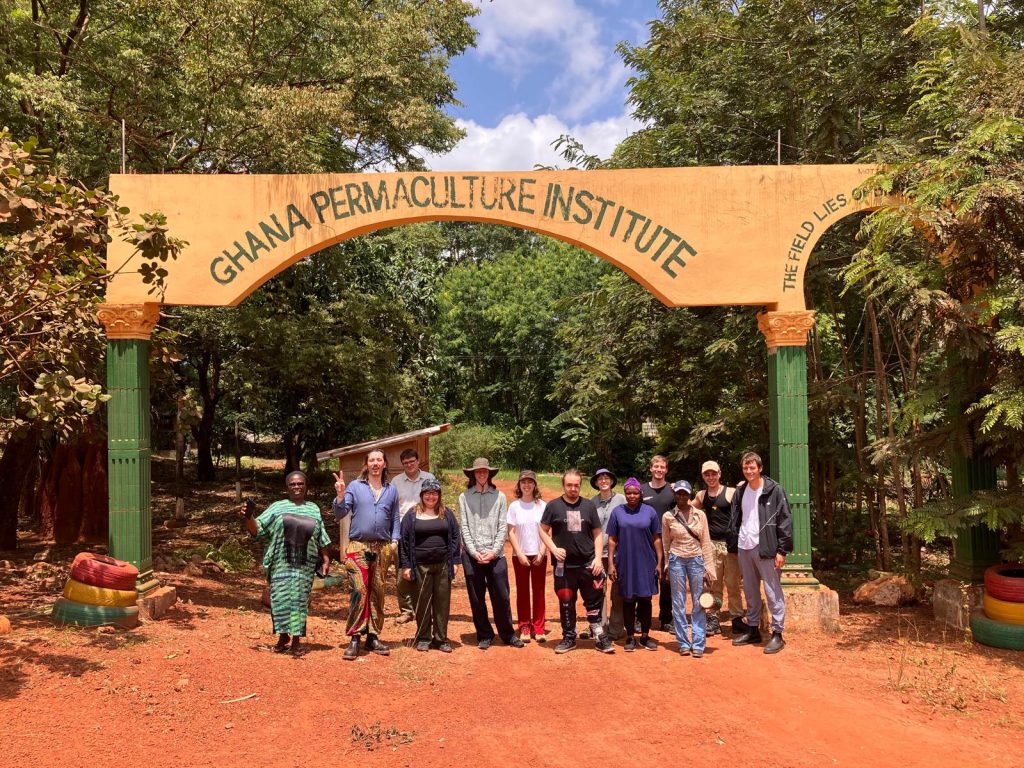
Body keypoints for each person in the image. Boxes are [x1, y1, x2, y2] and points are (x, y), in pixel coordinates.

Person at [240, 471, 331, 657]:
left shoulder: (313, 509)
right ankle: (283, 637)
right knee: (280, 600)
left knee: (299, 601)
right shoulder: (277, 507)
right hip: (281, 563)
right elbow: (258, 529)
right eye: (292, 484)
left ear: (306, 486)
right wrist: (248, 517)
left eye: (300, 484)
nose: (296, 487)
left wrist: (326, 558)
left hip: (305, 565)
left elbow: (322, 537)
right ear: (287, 487)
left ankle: (296, 641)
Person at [333, 449, 400, 660]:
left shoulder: (391, 490)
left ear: (385, 464)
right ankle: (355, 637)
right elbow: (339, 513)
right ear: (366, 464)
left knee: (377, 592)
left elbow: (395, 517)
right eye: (371, 460)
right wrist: (341, 495)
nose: (375, 463)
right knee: (359, 590)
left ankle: (373, 636)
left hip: (382, 547)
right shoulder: (355, 487)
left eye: (379, 460)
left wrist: (395, 540)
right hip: (358, 546)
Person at [539, 468, 614, 654]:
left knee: (594, 601)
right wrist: (553, 549)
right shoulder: (553, 506)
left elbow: (598, 533)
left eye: (576, 485)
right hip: (564, 567)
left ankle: (598, 635)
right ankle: (569, 637)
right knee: (566, 601)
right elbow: (542, 530)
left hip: (588, 564)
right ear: (563, 485)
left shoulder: (588, 506)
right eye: (569, 485)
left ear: (580, 485)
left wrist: (597, 558)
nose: (573, 488)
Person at [728, 451, 792, 654]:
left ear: (760, 468)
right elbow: (737, 518)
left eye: (752, 467)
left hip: (767, 547)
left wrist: (782, 549)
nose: (748, 471)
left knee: (773, 591)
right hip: (744, 546)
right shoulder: (741, 490)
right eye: (745, 468)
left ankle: (777, 633)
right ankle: (753, 628)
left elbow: (785, 520)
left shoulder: (774, 490)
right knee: (750, 591)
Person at [459, 457, 525, 650]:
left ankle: (507, 634)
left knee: (502, 596)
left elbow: (502, 526)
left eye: (484, 471)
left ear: (489, 474)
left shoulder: (500, 497)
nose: (481, 474)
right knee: (477, 597)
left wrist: (494, 551)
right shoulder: (464, 497)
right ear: (473, 474)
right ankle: (484, 634)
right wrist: (473, 551)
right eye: (478, 472)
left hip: (496, 556)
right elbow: (464, 527)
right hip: (472, 556)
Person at [398, 478, 460, 653]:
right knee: (422, 602)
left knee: (442, 603)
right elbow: (404, 542)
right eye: (427, 493)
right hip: (420, 565)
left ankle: (441, 639)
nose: (431, 496)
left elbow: (455, 536)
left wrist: (455, 561)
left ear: (439, 495)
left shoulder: (446, 513)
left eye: (434, 493)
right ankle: (423, 637)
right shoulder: (411, 515)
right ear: (422, 495)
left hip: (442, 565)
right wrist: (406, 566)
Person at [606, 477, 662, 652]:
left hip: (646, 561)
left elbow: (657, 538)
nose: (632, 496)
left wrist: (660, 562)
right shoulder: (617, 512)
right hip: (625, 562)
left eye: (635, 493)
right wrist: (610, 564)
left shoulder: (650, 512)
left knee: (645, 599)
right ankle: (630, 636)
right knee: (628, 599)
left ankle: (645, 636)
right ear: (625, 494)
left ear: (640, 493)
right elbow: (612, 540)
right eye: (628, 493)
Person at [663, 479, 716, 658]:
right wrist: (667, 564)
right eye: (678, 493)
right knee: (678, 602)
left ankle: (699, 643)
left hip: (696, 560)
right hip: (676, 559)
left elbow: (706, 541)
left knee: (698, 602)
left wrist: (709, 567)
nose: (681, 496)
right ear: (675, 494)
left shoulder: (700, 515)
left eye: (685, 493)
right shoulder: (668, 516)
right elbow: (666, 543)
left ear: (690, 495)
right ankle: (684, 642)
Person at [694, 460, 743, 635]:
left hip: (730, 545)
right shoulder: (701, 496)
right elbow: (688, 510)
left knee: (733, 583)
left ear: (719, 474)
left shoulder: (730, 492)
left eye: (713, 473)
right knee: (713, 584)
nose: (711, 477)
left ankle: (736, 617)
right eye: (707, 474)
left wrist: (744, 486)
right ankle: (713, 618)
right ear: (703, 476)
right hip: (711, 545)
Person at [390, 447, 437, 625]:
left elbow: (437, 502)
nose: (409, 465)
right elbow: (392, 508)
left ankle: (424, 609)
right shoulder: (396, 481)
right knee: (402, 572)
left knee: (424, 571)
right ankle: (406, 610)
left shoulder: (429, 478)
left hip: (425, 531)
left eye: (412, 461)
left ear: (418, 461)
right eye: (406, 463)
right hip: (401, 532)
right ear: (402, 465)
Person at [507, 470, 548, 642]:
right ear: (519, 485)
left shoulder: (543, 505)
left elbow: (547, 531)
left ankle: (539, 628)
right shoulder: (514, 506)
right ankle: (524, 626)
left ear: (535, 485)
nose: (527, 485)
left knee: (539, 592)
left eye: (530, 482)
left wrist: (542, 552)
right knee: (522, 591)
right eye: (523, 482)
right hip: (520, 555)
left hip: (539, 554)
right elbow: (511, 532)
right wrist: (519, 553)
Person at [640, 455, 676, 630]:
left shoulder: (673, 490)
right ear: (651, 468)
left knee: (666, 580)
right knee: (645, 578)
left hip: (668, 542)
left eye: (662, 467)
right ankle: (640, 617)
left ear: (666, 469)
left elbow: (684, 511)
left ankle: (666, 617)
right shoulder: (641, 490)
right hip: (646, 542)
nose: (659, 470)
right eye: (656, 466)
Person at [590, 468, 626, 639]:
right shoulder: (591, 503)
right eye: (600, 479)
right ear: (596, 483)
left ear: (612, 481)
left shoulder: (621, 500)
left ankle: (616, 628)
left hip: (618, 553)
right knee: (598, 591)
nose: (604, 481)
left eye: (607, 478)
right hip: (598, 554)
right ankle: (600, 627)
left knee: (618, 591)